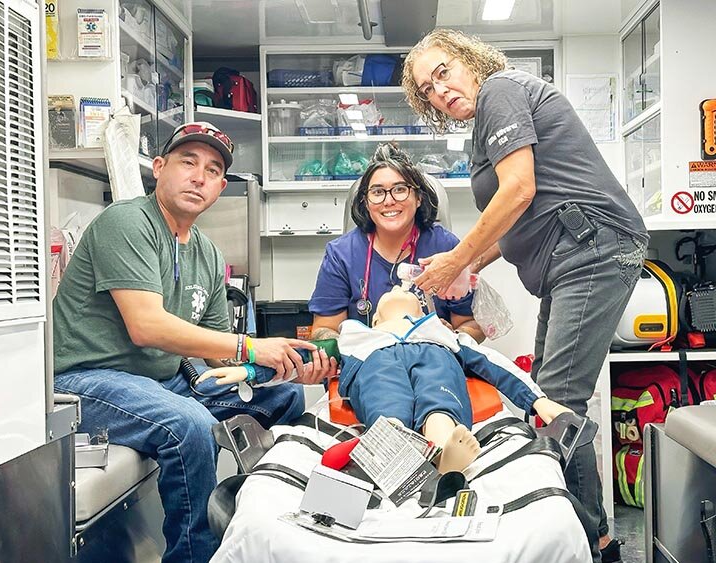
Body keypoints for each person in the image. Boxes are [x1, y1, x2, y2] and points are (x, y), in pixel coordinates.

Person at [402, 29, 648, 562]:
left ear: (469, 59)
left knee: (558, 401)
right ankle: (588, 533)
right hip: (571, 258)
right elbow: (516, 218)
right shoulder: (484, 125)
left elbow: (519, 190)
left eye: (442, 72)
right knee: (546, 393)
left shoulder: (500, 91)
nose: (439, 90)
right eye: (427, 89)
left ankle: (593, 541)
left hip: (593, 247)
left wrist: (458, 258)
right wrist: (467, 264)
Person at [51, 121, 335, 563]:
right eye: (188, 162)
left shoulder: (207, 252)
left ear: (221, 186)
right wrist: (250, 348)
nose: (199, 176)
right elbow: (147, 326)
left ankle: (257, 522)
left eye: (213, 169)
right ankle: (195, 556)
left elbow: (215, 347)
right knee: (189, 425)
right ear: (160, 168)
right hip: (87, 380)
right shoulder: (127, 222)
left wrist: (272, 364)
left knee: (284, 396)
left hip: (162, 381)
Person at [199, 285, 571, 473]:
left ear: (425, 310)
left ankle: (442, 441)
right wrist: (249, 370)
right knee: (385, 400)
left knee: (438, 392)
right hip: (376, 364)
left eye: (407, 291)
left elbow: (492, 363)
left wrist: (537, 400)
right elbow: (303, 358)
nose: (398, 287)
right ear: (374, 320)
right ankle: (388, 439)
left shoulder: (441, 334)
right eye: (388, 294)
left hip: (434, 358)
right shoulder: (355, 336)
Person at [308, 143, 484, 348]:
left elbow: (472, 324)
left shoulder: (446, 247)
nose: (389, 201)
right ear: (365, 202)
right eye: (377, 192)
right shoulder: (341, 254)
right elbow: (324, 327)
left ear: (418, 198)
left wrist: (450, 336)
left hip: (434, 363)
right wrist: (353, 343)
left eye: (400, 190)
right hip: (368, 367)